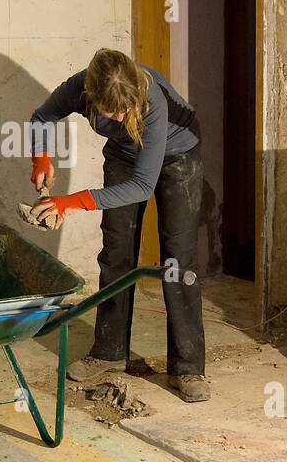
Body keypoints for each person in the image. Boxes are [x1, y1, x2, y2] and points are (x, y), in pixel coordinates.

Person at [28, 48, 208, 402]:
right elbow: (41, 117)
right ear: (91, 99)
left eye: (127, 108)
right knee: (116, 253)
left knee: (177, 259)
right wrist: (41, 158)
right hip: (124, 156)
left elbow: (143, 185)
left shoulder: (151, 98)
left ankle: (188, 367)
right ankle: (110, 352)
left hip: (178, 156)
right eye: (113, 111)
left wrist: (74, 201)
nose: (122, 115)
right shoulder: (79, 87)